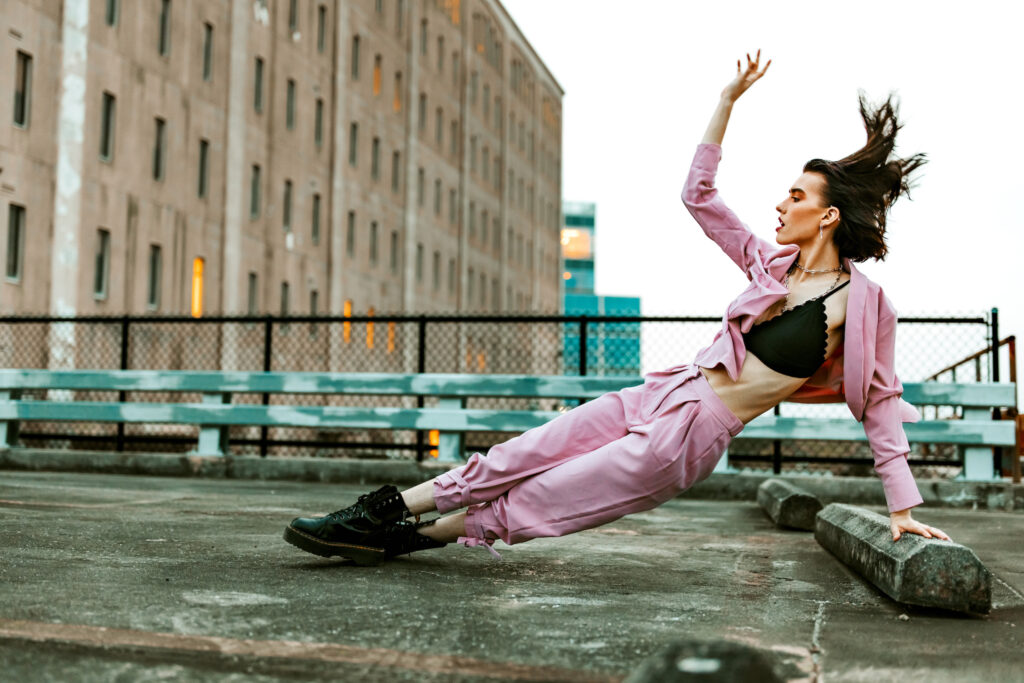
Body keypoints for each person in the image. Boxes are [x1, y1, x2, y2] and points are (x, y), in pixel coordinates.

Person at [283, 50, 951, 566]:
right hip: (661, 392)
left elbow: (882, 407)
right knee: (517, 455)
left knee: (533, 502)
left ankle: (398, 541)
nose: (781, 203)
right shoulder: (767, 263)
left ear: (828, 215)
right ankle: (375, 513)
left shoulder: (864, 308)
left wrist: (903, 508)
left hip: (689, 435)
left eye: (795, 196)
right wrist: (725, 101)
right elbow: (699, 194)